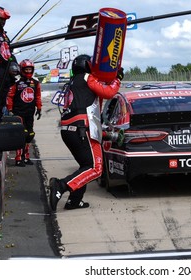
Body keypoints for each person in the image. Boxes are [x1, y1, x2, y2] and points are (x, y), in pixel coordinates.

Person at [49, 54, 123, 211]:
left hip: (68, 129)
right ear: (88, 65)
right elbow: (108, 92)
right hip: (82, 128)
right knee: (95, 168)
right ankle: (60, 186)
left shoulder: (72, 82)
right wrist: (117, 79)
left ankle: (74, 201)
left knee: (85, 165)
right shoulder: (87, 78)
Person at [6, 59, 42, 167]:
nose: (28, 71)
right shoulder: (16, 83)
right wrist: (10, 109)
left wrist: (39, 108)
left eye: (29, 69)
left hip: (30, 112)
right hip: (19, 112)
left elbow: (38, 97)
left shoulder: (36, 83)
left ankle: (26, 157)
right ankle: (18, 158)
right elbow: (10, 96)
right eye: (26, 69)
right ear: (22, 69)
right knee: (22, 134)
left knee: (30, 135)